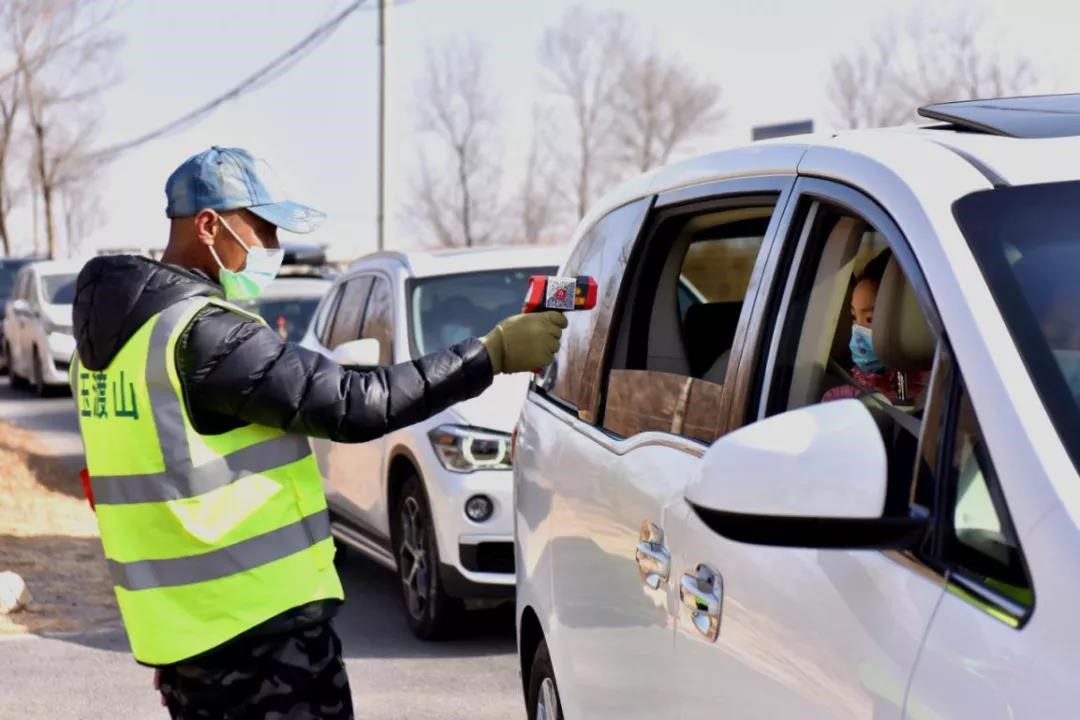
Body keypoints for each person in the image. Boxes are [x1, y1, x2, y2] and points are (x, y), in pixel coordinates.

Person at [71, 147, 567, 720]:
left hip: (188, 642)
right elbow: (354, 404)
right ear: (208, 225)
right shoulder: (206, 334)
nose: (272, 248)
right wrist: (490, 354)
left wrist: (181, 652)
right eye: (259, 229)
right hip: (259, 635)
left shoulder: (107, 350)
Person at [823, 249, 927, 404]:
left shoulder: (937, 389)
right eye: (853, 317)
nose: (857, 332)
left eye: (870, 319)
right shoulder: (844, 396)